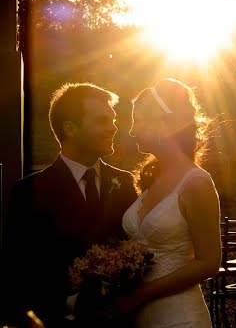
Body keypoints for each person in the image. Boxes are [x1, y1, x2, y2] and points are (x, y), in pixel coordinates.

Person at [1, 83, 138, 328]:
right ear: (70, 128)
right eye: (101, 120)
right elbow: (17, 269)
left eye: (113, 119)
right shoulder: (29, 191)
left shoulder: (126, 183)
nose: (113, 127)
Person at [111, 78, 221, 327]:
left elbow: (209, 262)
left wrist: (142, 294)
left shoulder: (196, 183)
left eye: (137, 120)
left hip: (178, 316)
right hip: (140, 316)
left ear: (163, 123)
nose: (132, 131)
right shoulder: (152, 178)